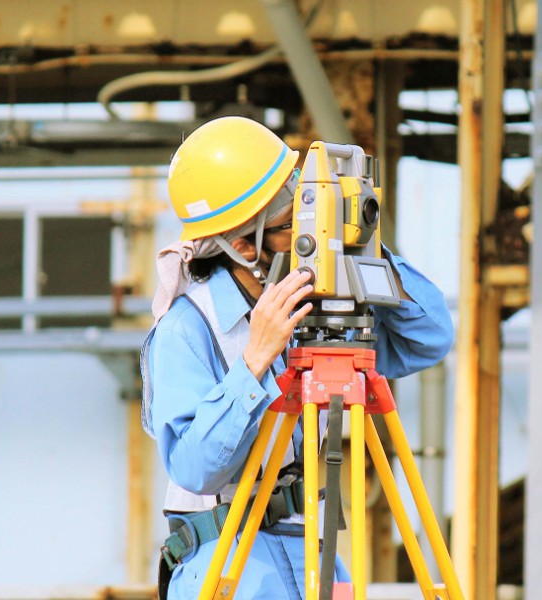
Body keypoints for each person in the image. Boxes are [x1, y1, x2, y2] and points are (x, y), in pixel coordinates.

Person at [140, 115, 454, 599]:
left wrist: (359, 246)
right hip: (230, 562)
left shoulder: (316, 301)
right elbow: (194, 467)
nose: (312, 226)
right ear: (244, 245)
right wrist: (254, 362)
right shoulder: (187, 326)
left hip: (314, 550)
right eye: (297, 221)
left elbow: (428, 337)